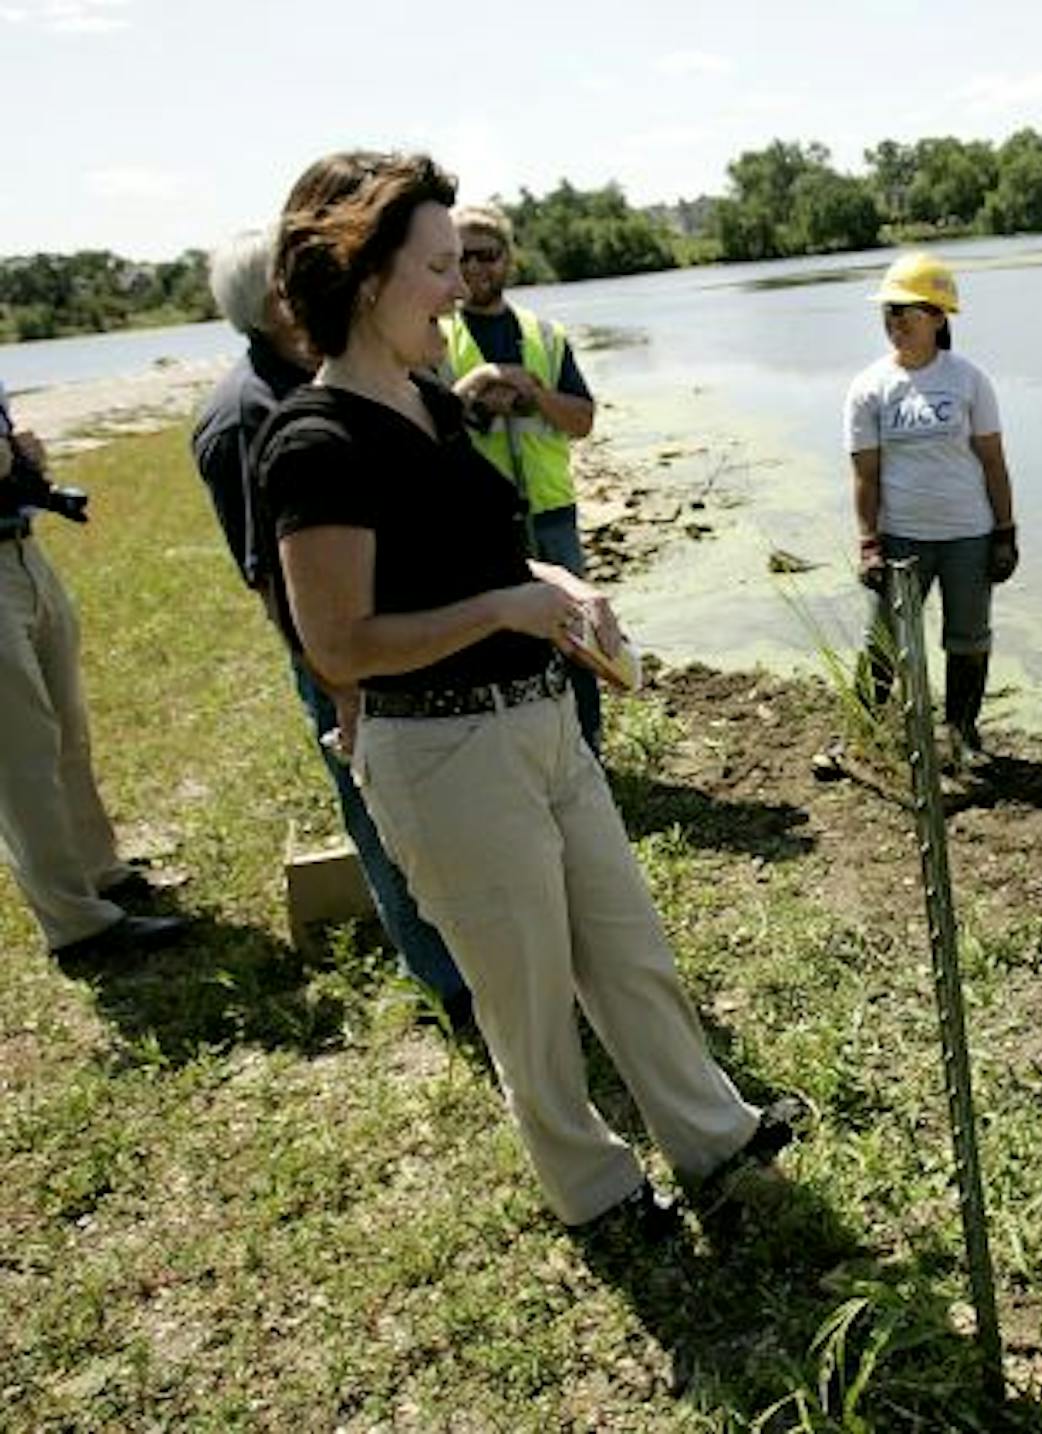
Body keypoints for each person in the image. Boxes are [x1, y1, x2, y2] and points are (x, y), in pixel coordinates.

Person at [258, 151, 797, 1234]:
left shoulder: (426, 400)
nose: (460, 288)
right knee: (529, 996)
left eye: (462, 263)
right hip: (443, 756)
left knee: (627, 948)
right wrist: (502, 614)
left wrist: (559, 587)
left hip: (545, 728)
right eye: (437, 265)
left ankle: (714, 1135)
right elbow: (340, 646)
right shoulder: (313, 443)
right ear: (366, 279)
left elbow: (492, 556)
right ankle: (593, 1190)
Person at [192, 225, 470, 1020]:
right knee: (384, 821)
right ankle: (449, 986)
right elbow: (273, 580)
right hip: (344, 656)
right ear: (278, 300)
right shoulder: (250, 413)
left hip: (391, 637)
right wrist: (341, 687)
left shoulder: (320, 378)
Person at [0, 384, 188, 959]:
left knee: (66, 730)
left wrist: (23, 456)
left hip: (23, 550)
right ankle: (77, 925)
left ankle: (98, 871)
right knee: (20, 753)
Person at [439, 204, 603, 753]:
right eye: (462, 258)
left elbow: (581, 420)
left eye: (488, 255)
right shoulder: (433, 335)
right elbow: (423, 429)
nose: (476, 269)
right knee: (494, 643)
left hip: (552, 513)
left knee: (575, 635)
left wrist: (533, 393)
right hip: (474, 524)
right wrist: (479, 384)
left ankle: (587, 750)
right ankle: (521, 754)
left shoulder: (544, 335)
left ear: (509, 259)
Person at [845, 252, 1017, 766]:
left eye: (906, 310)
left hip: (969, 534)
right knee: (884, 641)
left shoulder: (969, 380)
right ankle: (859, 735)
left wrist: (1006, 532)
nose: (895, 321)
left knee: (968, 638)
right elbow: (865, 475)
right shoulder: (869, 388)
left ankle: (962, 733)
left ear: (938, 316)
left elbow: (993, 463)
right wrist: (869, 543)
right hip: (902, 539)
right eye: (889, 311)